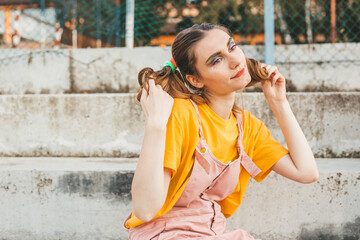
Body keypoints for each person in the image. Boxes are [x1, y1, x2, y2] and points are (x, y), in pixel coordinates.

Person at [123, 23, 319, 239]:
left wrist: (279, 104)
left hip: (211, 232)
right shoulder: (183, 113)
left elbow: (307, 172)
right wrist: (156, 124)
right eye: (216, 60)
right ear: (195, 79)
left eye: (232, 47)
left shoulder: (247, 128)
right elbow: (144, 209)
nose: (235, 60)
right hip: (164, 233)